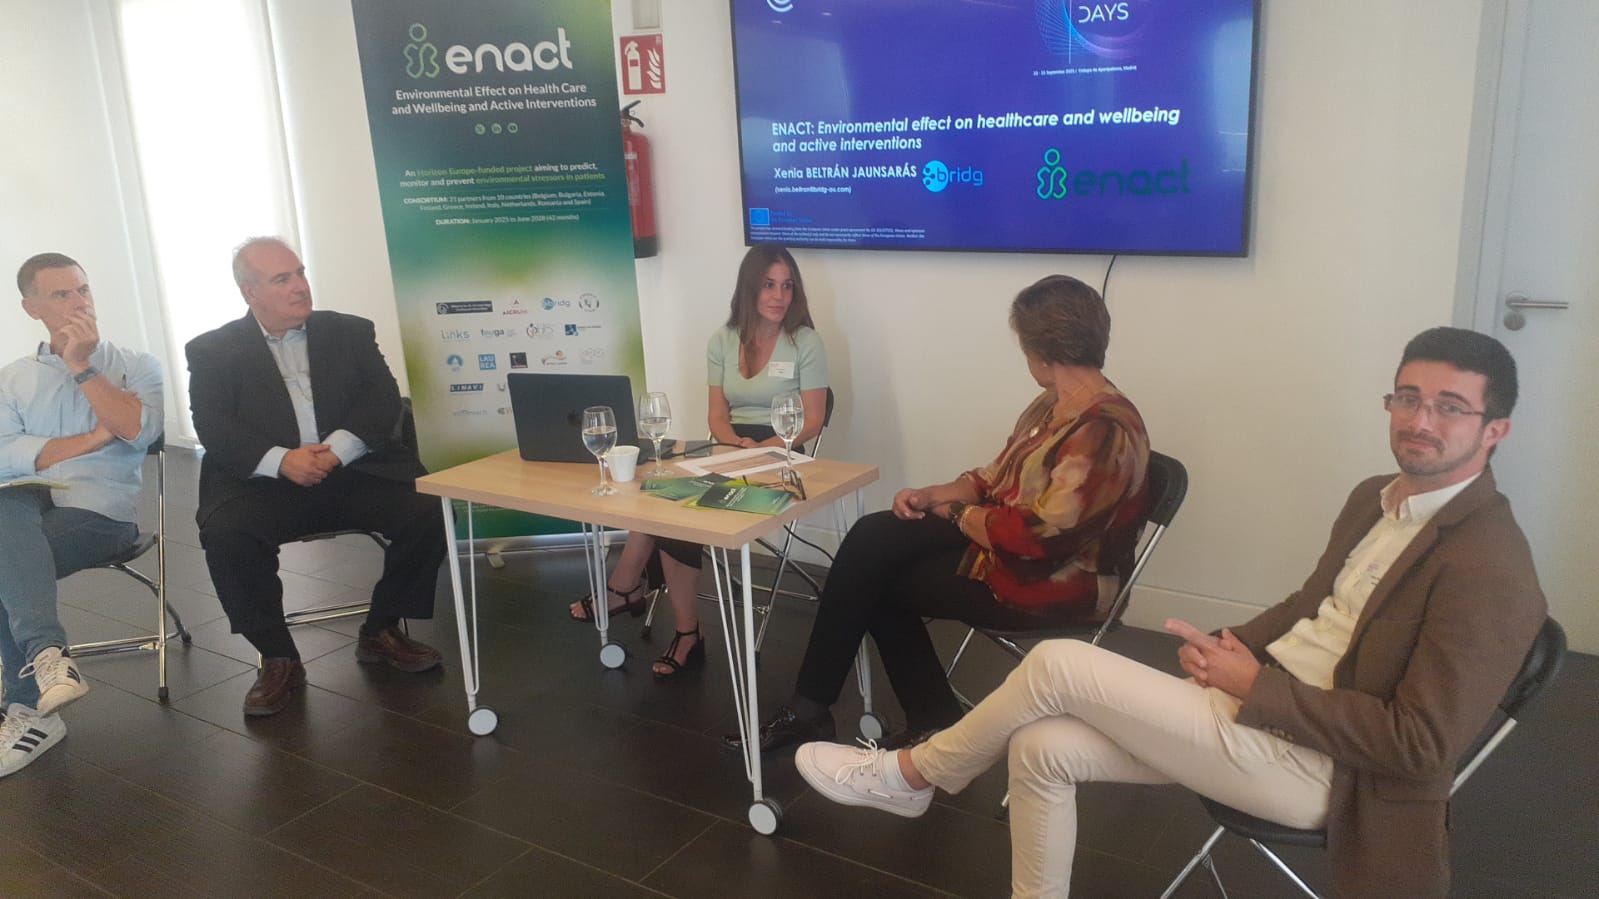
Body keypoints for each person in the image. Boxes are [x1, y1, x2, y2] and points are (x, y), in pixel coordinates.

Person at [794, 327, 1546, 899]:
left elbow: (1418, 745)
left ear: (1495, 430)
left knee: (1056, 664)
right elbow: (1308, 605)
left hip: (1331, 776)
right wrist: (1228, 644)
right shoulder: (1375, 497)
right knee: (1041, 747)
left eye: (1450, 407)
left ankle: (913, 774)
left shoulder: (1489, 567)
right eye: (1407, 398)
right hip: (1259, 711)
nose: (1420, 419)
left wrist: (1255, 686)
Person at [732, 274, 1149, 754]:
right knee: (875, 536)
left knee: (878, 580)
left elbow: (1036, 539)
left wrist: (954, 513)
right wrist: (935, 495)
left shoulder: (1103, 430)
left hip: (1057, 580)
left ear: (1043, 350)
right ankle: (824, 709)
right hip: (1004, 542)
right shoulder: (1052, 405)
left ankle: (913, 720)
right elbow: (995, 478)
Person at [187, 237, 447, 717]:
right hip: (265, 481)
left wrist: (338, 451)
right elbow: (214, 426)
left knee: (429, 507)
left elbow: (383, 401)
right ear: (250, 292)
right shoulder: (212, 350)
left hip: (351, 470)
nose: (299, 286)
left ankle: (382, 628)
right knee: (226, 535)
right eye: (282, 279)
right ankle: (278, 656)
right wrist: (282, 460)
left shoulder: (349, 332)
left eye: (300, 273)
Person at [569, 244, 829, 678]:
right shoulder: (722, 341)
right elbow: (716, 416)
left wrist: (761, 448)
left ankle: (630, 591)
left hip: (782, 452)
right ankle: (672, 621)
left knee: (678, 507)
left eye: (787, 286)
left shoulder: (806, 341)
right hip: (729, 449)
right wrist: (733, 445)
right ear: (750, 288)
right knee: (660, 495)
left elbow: (813, 420)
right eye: (769, 285)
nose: (779, 296)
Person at [1, 253, 163, 777]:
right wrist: (92, 439)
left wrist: (82, 367)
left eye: (83, 290)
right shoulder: (12, 379)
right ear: (31, 308)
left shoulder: (136, 365)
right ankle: (48, 660)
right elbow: (2, 457)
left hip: (100, 515)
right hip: (23, 509)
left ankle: (28, 707)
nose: (79, 303)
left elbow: (139, 431)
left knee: (5, 561)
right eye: (61, 294)